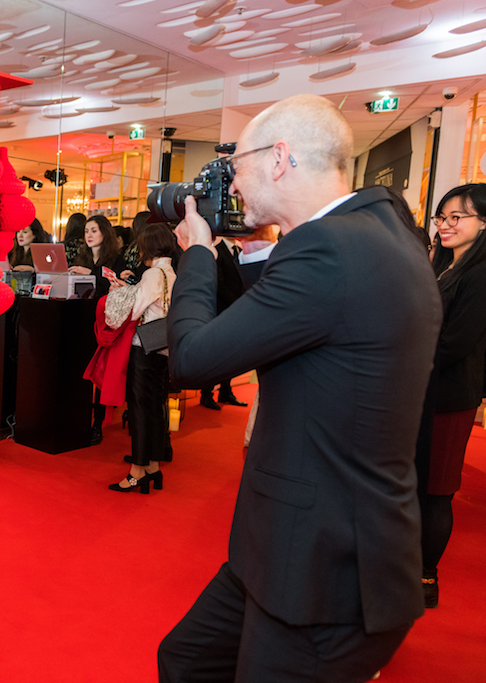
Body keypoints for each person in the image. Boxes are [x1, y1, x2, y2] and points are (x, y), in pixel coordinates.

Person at [159, 94, 441, 682]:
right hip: (298, 542)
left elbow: (191, 358)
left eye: (235, 169)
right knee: (185, 658)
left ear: (279, 158)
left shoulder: (329, 250)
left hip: (322, 570)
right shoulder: (379, 230)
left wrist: (197, 255)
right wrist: (263, 245)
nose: (230, 188)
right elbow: (282, 322)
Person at [415, 183, 486, 609]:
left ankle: (426, 574)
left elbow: (454, 343)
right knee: (413, 486)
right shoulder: (443, 265)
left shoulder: (480, 274)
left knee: (437, 490)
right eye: (441, 217)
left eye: (456, 217)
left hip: (448, 397)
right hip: (421, 393)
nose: (445, 225)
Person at [107, 222, 177, 493]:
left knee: (138, 408)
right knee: (155, 406)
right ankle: (152, 467)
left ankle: (137, 471)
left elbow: (135, 312)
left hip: (145, 346)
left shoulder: (152, 274)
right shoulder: (170, 272)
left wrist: (121, 293)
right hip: (164, 345)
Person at [71, 214, 129, 444]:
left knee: (100, 373)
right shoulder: (82, 257)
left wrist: (91, 275)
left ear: (104, 233)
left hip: (105, 322)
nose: (89, 235)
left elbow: (117, 286)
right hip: (81, 317)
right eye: (86, 231)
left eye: (94, 230)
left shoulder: (117, 259)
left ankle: (98, 424)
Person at [198, 236, 247, 410]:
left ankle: (226, 390)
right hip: (219, 309)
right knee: (213, 353)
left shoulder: (240, 251)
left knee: (231, 353)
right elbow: (218, 283)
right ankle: (206, 393)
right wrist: (239, 303)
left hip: (237, 310)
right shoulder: (217, 250)